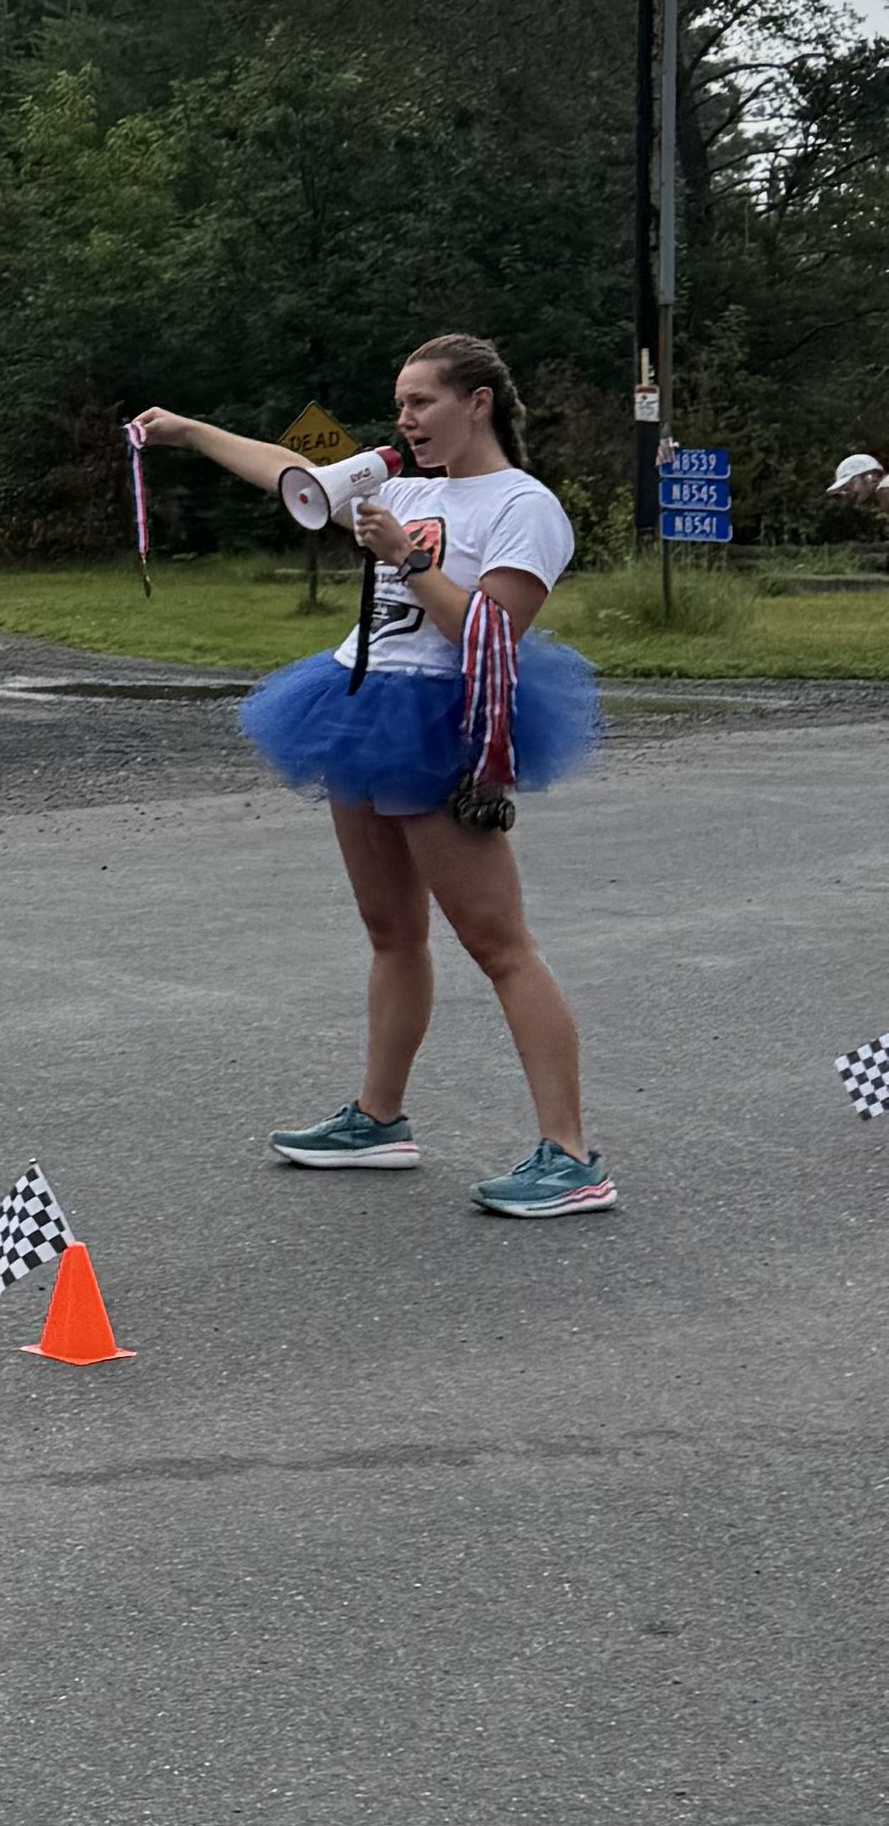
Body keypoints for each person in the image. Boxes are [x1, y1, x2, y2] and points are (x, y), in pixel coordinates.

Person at [127, 330, 610, 1220]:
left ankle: (572, 1155)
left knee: (498, 945)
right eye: (399, 403)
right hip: (356, 702)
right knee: (390, 931)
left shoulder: (526, 506)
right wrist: (189, 431)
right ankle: (378, 1121)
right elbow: (287, 473)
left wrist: (408, 560)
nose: (405, 419)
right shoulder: (402, 479)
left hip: (438, 722)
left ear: (478, 403)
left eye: (422, 401)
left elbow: (492, 634)